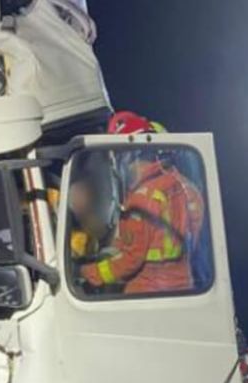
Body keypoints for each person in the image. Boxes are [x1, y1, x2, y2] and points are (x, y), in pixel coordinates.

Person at [78, 113, 205, 295]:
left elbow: (130, 261)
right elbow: (184, 242)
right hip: (184, 288)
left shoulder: (141, 199)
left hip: (145, 293)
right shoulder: (188, 189)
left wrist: (86, 272)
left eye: (120, 158)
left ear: (130, 156)